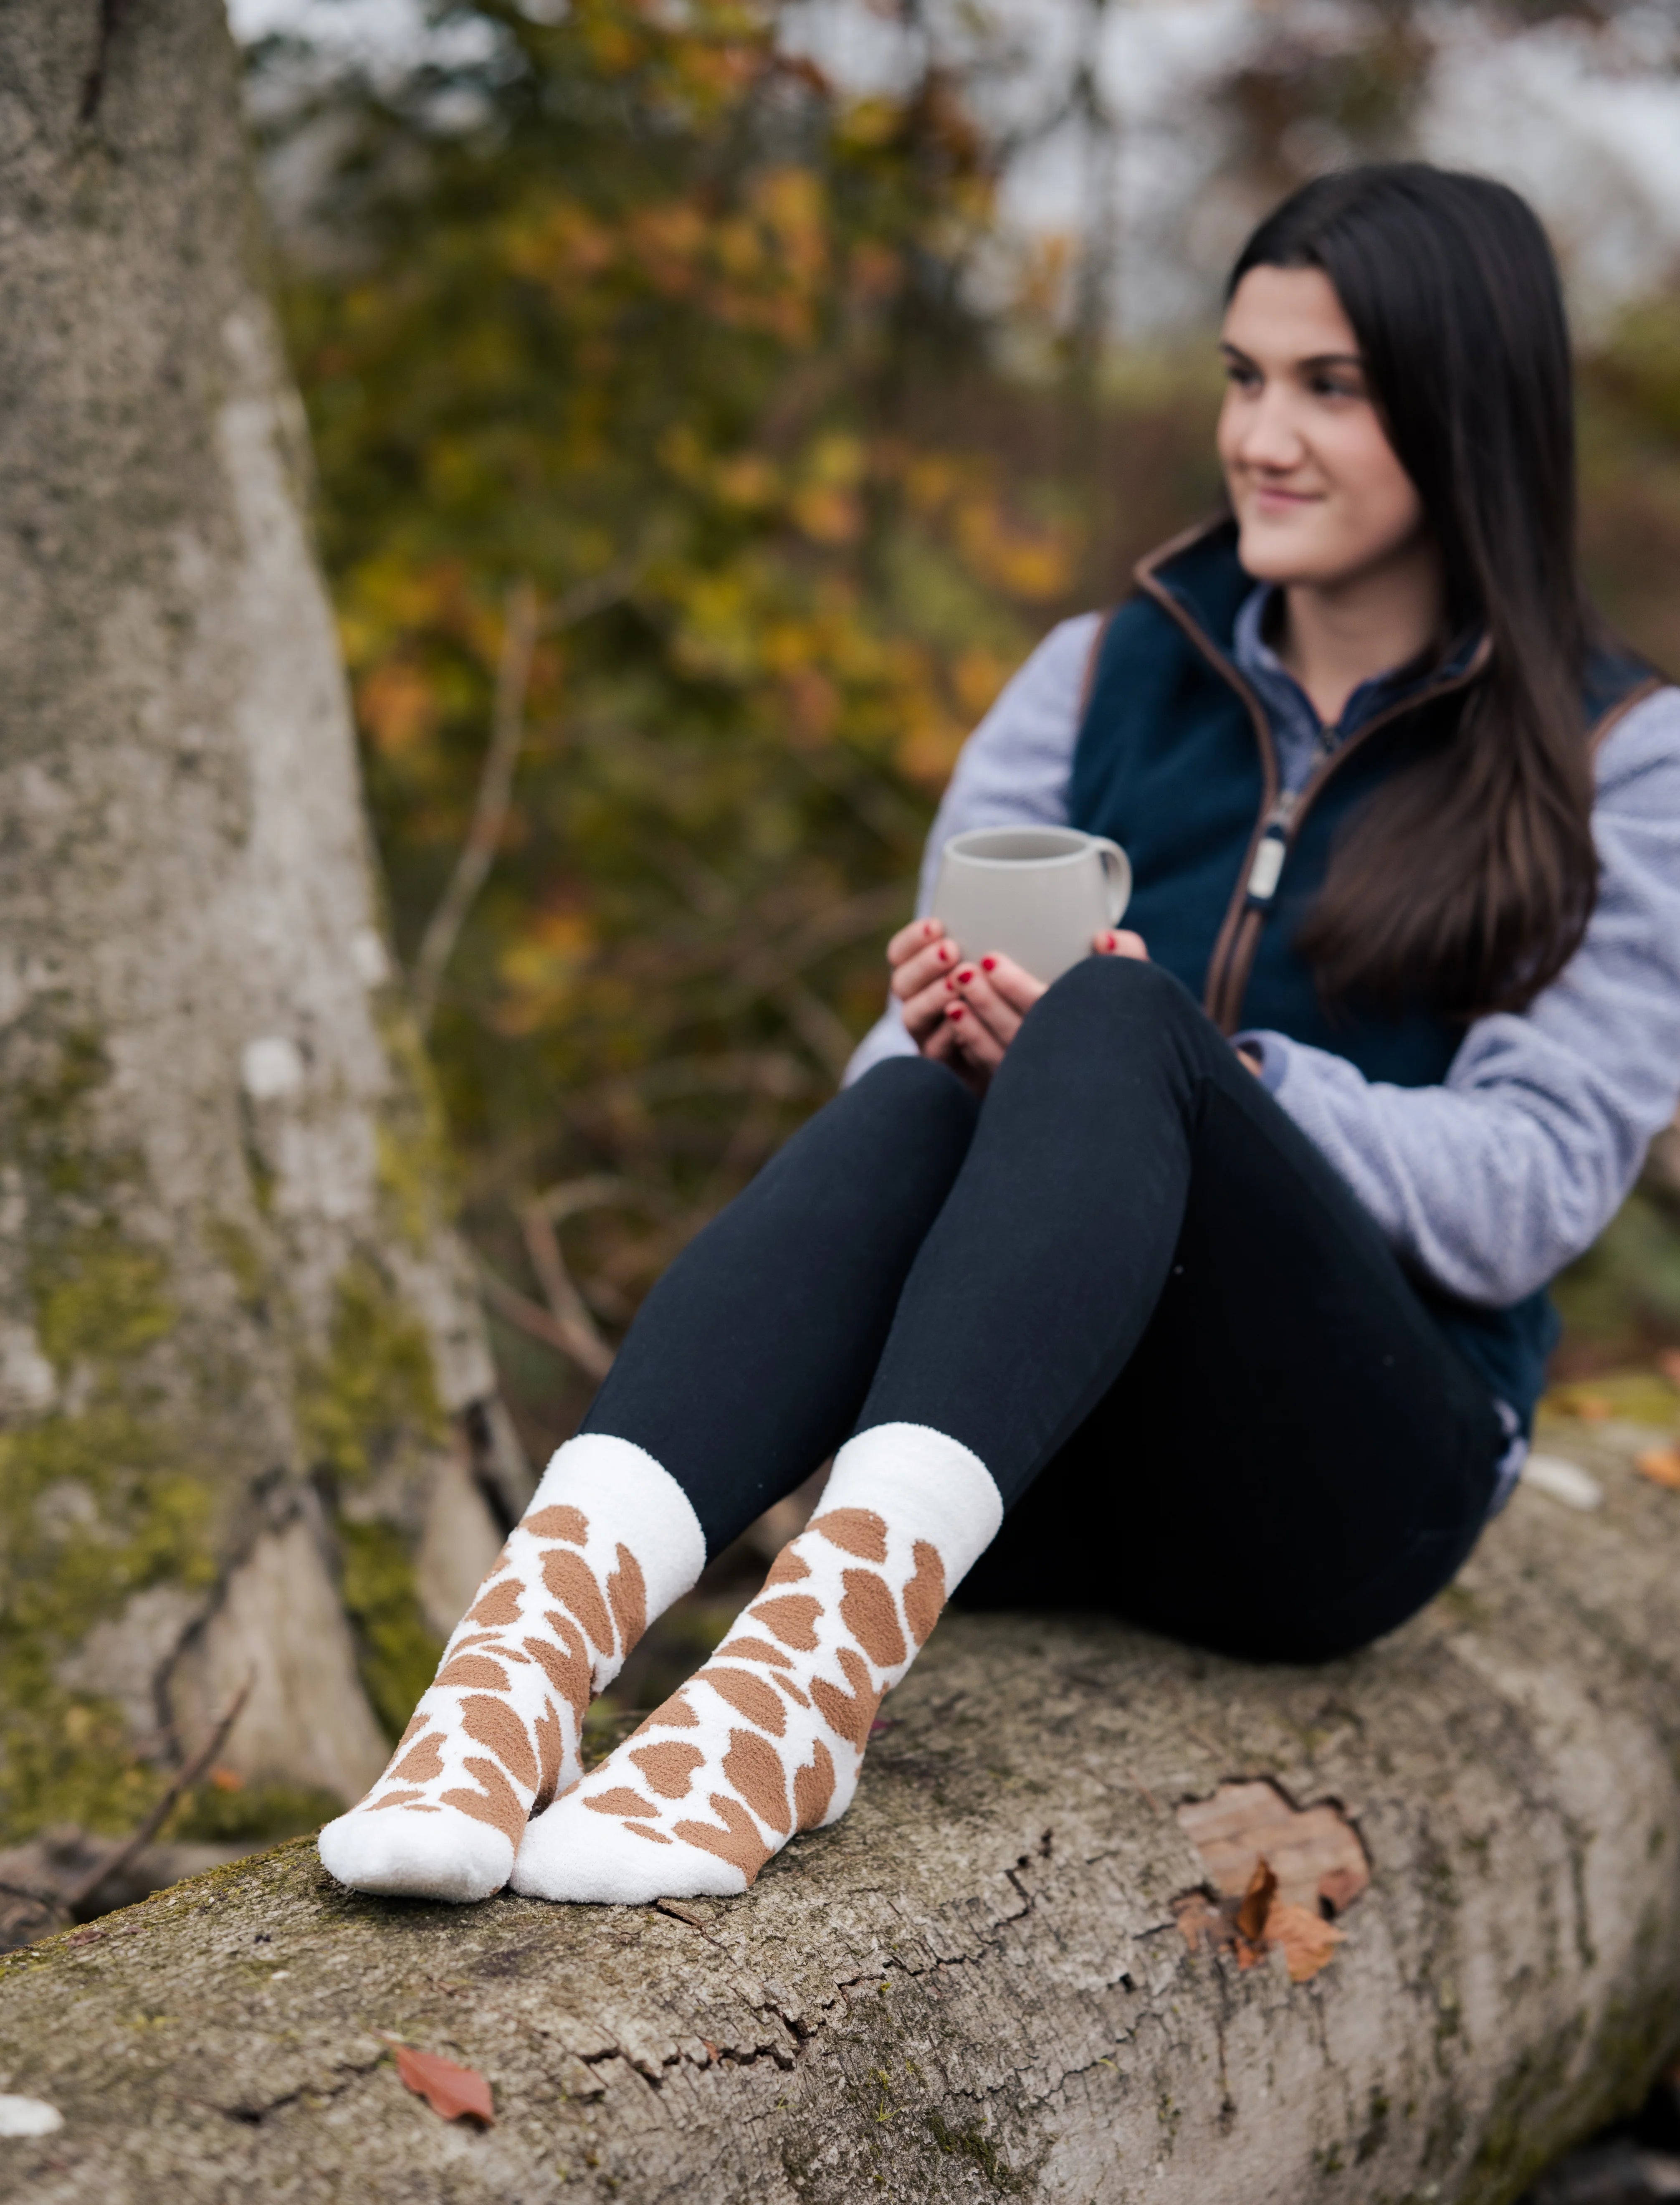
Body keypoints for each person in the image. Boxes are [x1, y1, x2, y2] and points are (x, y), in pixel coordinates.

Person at [321, 162, 1680, 1912]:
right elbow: (892, 1122)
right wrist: (954, 1046)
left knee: (1115, 1015)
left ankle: (799, 1700)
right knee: (906, 1108)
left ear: (1465, 402)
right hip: (1028, 1456)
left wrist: (1209, 1080)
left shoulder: (1621, 755)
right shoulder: (1094, 675)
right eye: (1240, 377)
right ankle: (519, 1662)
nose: (1260, 436)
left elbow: (1534, 1187)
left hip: (1345, 1483)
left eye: (1327, 388)